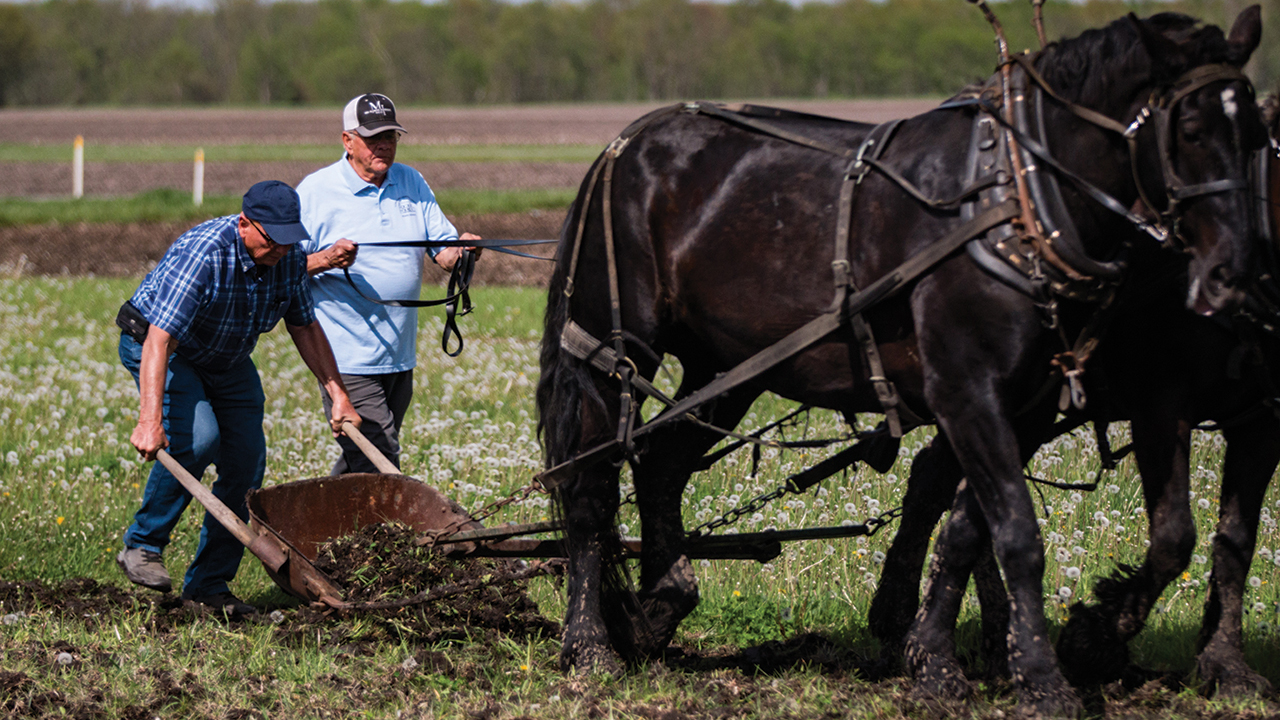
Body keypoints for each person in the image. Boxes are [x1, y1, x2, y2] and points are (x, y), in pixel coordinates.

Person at [115, 180, 360, 617]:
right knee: (198, 439)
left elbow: (304, 326)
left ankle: (210, 585)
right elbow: (159, 338)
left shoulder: (287, 258)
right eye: (273, 240)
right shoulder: (206, 253)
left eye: (290, 241)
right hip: (166, 348)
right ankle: (143, 545)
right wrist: (150, 419)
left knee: (246, 463)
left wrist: (337, 395)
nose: (283, 250)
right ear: (245, 224)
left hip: (226, 356)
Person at [297, 92, 480, 475]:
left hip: (398, 354)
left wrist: (461, 252)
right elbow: (283, 267)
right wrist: (327, 258)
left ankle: (321, 525)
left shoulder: (411, 181)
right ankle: (380, 535)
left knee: (362, 460)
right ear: (347, 140)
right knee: (379, 459)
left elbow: (441, 251)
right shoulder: (315, 192)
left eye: (391, 136)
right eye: (373, 137)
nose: (384, 145)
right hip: (344, 356)